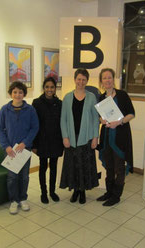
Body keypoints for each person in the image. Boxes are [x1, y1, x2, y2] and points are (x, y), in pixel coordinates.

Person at [0, 81, 39, 214]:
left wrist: (25, 143)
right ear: (11, 94)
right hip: (10, 151)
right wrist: (6, 146)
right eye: (15, 92)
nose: (17, 94)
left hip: (24, 149)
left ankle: (22, 198)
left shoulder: (30, 110)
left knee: (24, 176)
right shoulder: (4, 109)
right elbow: (0, 129)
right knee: (12, 177)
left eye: (20, 92)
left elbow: (35, 128)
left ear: (24, 94)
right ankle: (14, 201)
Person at [60, 68, 99, 204]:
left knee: (84, 165)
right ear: (75, 79)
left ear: (87, 81)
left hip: (86, 138)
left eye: (83, 79)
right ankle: (75, 190)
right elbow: (63, 119)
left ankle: (82, 191)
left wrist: (95, 137)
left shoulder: (92, 97)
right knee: (73, 165)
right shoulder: (67, 97)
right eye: (79, 79)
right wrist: (65, 136)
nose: (81, 82)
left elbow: (95, 119)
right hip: (71, 137)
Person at [97, 68, 135, 206]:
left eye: (109, 77)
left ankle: (116, 195)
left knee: (119, 168)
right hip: (107, 138)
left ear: (113, 79)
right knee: (109, 167)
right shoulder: (101, 98)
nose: (107, 80)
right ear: (101, 81)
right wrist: (102, 120)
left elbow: (131, 114)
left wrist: (118, 122)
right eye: (104, 78)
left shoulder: (122, 95)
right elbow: (99, 116)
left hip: (120, 138)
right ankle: (109, 192)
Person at [32, 77, 63, 204]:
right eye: (47, 87)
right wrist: (34, 144)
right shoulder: (37, 103)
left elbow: (62, 123)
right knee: (43, 167)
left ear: (55, 89)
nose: (49, 89)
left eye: (52, 87)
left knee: (54, 167)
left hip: (56, 140)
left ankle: (52, 191)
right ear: (43, 88)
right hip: (42, 141)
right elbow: (33, 124)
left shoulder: (60, 103)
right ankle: (43, 193)